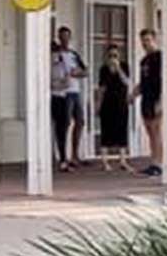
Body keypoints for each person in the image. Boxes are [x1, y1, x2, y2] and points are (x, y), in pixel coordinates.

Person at [50, 26, 87, 171]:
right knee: (63, 124)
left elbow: (85, 71)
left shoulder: (73, 54)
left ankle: (75, 155)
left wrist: (77, 73)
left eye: (67, 37)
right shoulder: (53, 54)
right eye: (62, 37)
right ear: (59, 38)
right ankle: (63, 157)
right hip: (60, 93)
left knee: (80, 121)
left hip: (74, 91)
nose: (64, 40)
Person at [131, 27, 165, 177]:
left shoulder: (160, 57)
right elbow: (143, 82)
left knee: (156, 131)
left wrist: (161, 101)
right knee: (150, 132)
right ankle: (153, 162)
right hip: (146, 98)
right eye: (143, 41)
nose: (145, 43)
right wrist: (133, 93)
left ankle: (159, 164)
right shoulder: (144, 61)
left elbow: (163, 80)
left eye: (148, 40)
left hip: (156, 98)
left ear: (154, 40)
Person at [96, 44, 132, 173]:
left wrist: (118, 69)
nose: (113, 58)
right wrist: (98, 103)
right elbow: (101, 87)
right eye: (110, 56)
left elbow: (127, 82)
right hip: (107, 102)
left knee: (122, 129)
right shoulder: (103, 69)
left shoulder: (125, 66)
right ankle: (105, 161)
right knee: (106, 130)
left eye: (115, 55)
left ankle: (123, 160)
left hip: (121, 102)